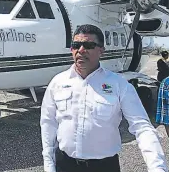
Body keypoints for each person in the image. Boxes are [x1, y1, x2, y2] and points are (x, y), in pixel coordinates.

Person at [40, 24, 168, 172]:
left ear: (101, 50)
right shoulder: (58, 82)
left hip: (104, 166)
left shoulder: (119, 84)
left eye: (89, 45)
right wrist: (49, 165)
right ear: (71, 49)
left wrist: (157, 167)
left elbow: (142, 127)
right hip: (65, 165)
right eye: (76, 45)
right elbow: (48, 123)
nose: (81, 50)